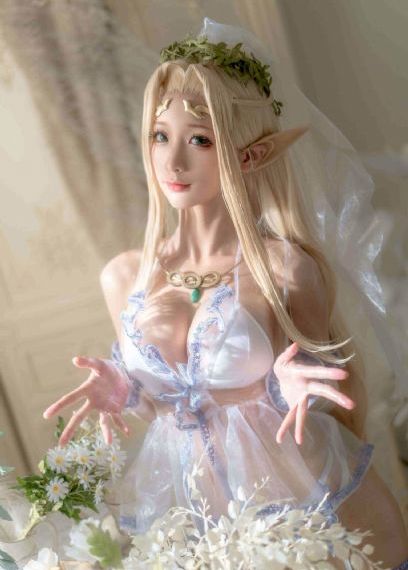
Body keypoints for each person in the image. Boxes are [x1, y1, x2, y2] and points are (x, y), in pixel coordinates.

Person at [43, 18, 408, 568]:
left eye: (200, 139)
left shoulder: (283, 268)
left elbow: (333, 396)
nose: (173, 161)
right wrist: (124, 389)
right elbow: (162, 408)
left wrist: (291, 387)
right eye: (160, 136)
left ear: (249, 154)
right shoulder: (124, 277)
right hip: (190, 516)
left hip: (298, 510)